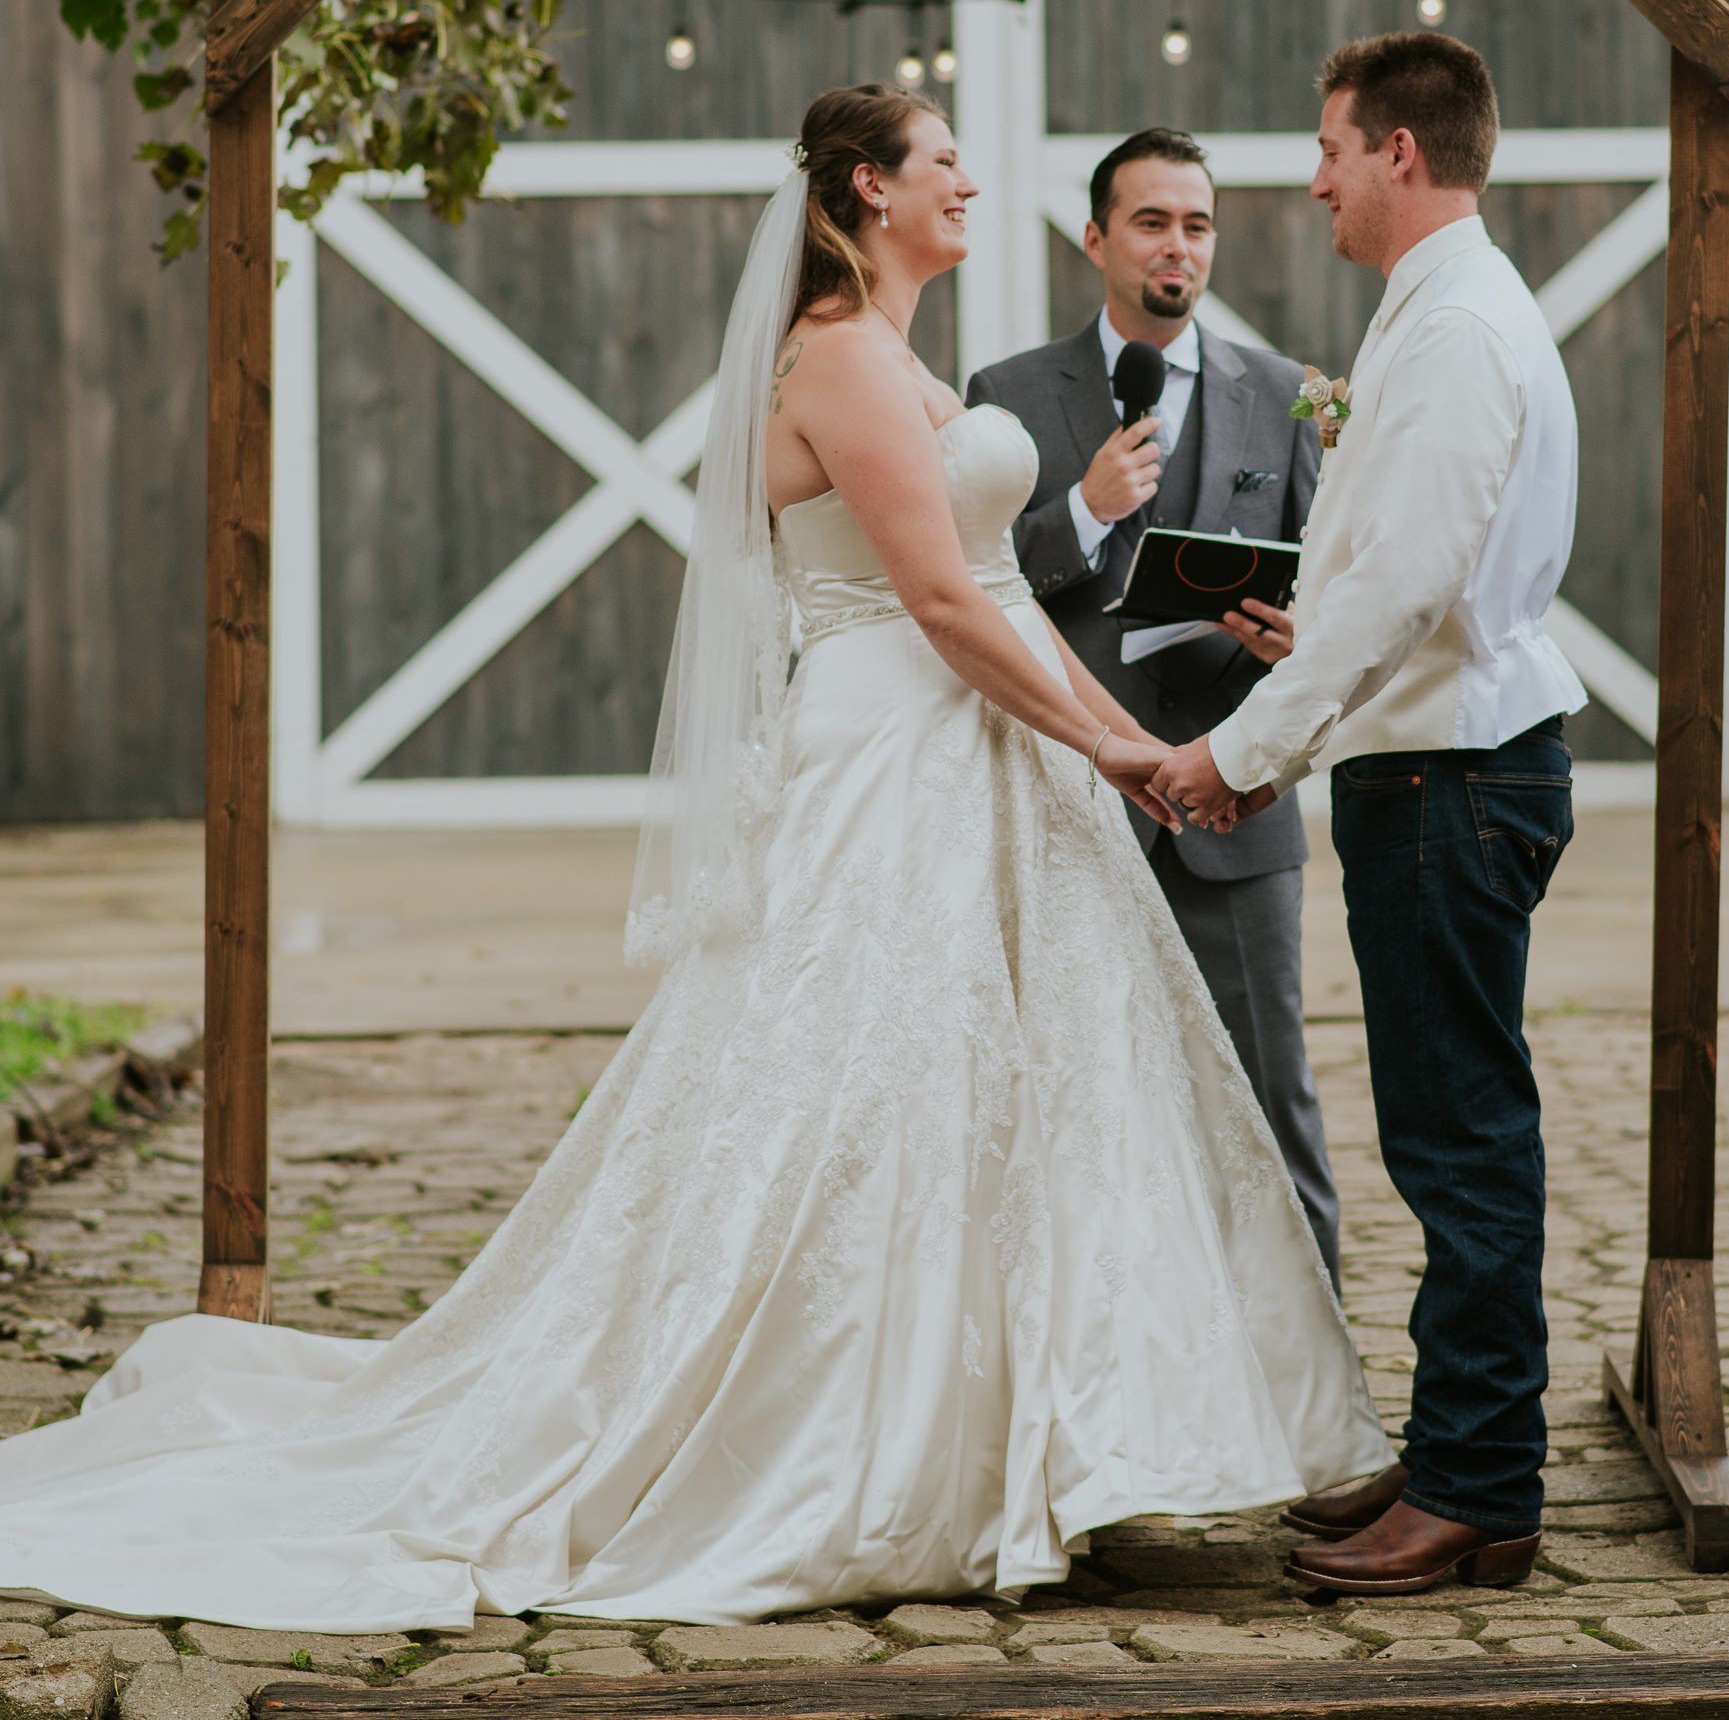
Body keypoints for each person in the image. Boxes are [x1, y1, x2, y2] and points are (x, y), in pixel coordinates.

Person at [0, 84, 1390, 1629]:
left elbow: (999, 592)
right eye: (944, 165)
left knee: (1043, 1094)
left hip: (995, 753)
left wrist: (1121, 755)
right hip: (888, 751)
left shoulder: (907, 358)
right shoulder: (839, 357)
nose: (970, 185)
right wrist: (1124, 748)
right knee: (862, 1094)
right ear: (869, 189)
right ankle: (852, 1432)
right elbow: (935, 606)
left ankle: (1079, 1437)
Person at [1153, 33, 1586, 1596]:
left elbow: (1411, 580)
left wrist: (1245, 750)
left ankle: (1479, 1485)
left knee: (1460, 1135)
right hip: (1438, 752)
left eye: (1330, 147)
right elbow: (1403, 563)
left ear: (1400, 152)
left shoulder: (1460, 328)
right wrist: (1303, 629)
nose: (1313, 177)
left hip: (1452, 777)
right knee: (1445, 1126)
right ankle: (1466, 1448)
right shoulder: (1441, 310)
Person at [963, 130, 1339, 1287]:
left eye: (1196, 223)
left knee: (1269, 1092)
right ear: (1095, 238)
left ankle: (1310, 1372)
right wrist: (1077, 510)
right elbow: (971, 584)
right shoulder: (1009, 394)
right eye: (1150, 221)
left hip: (1234, 808)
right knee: (1072, 1096)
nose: (1177, 245)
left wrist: (1292, 637)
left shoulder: (1284, 395)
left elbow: (1329, 589)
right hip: (1072, 802)